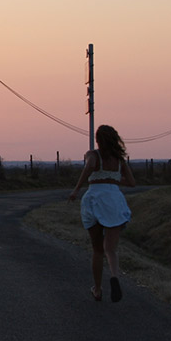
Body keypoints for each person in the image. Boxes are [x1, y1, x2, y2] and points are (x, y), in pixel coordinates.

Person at [68, 125, 136, 302]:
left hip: (95, 199)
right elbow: (132, 182)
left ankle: (97, 289)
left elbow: (89, 167)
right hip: (114, 199)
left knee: (97, 249)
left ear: (98, 140)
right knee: (111, 249)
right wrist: (112, 179)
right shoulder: (119, 159)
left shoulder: (93, 155)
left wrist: (76, 190)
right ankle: (114, 276)